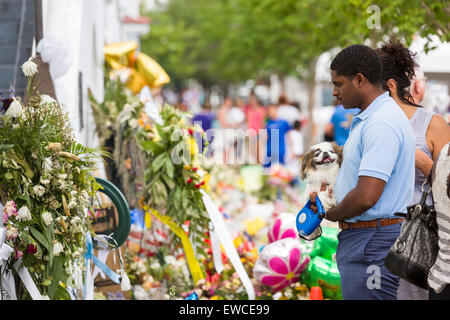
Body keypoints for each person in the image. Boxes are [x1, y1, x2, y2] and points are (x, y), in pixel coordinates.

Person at [310, 44, 416, 300]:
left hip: (373, 240)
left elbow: (367, 195)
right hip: (369, 238)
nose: (334, 92)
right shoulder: (372, 118)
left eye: (339, 84)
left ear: (360, 80)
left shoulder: (381, 122)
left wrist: (329, 214)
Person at [376, 39, 450, 300]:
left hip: (418, 238)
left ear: (390, 86)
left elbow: (448, 186)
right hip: (375, 235)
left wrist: (421, 160)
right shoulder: (368, 125)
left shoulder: (432, 124)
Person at [244, 91, 266, 164]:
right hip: (251, 133)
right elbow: (248, 122)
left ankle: (259, 165)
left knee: (259, 152)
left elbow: (262, 122)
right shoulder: (249, 111)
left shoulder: (261, 110)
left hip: (258, 133)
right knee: (252, 152)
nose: (252, 102)